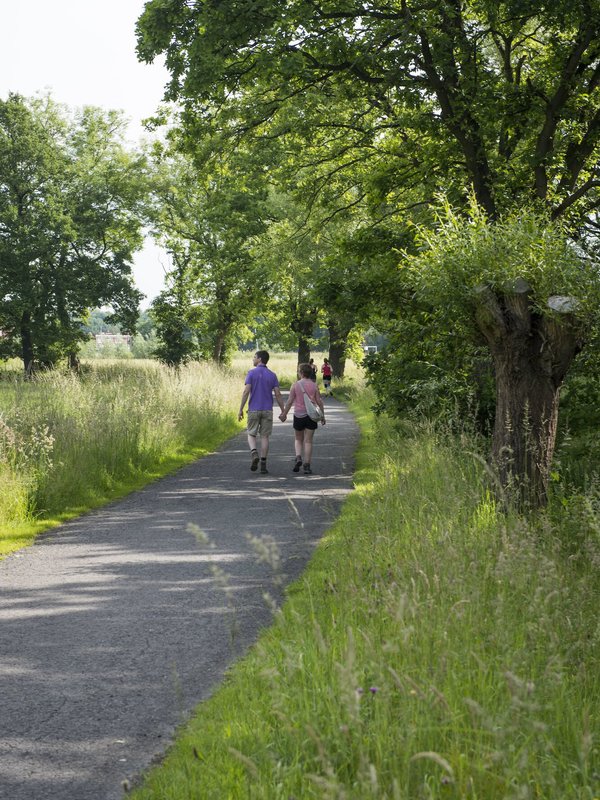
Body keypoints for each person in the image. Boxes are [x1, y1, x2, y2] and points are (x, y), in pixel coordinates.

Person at [239, 350, 285, 474]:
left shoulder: (251, 373)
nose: (252, 359)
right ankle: (263, 464)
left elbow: (246, 391)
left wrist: (240, 409)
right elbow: (278, 394)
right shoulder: (272, 375)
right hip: (267, 410)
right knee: (265, 437)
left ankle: (254, 453)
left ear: (259, 359)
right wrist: (283, 411)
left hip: (254, 409)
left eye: (254, 357)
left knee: (251, 434)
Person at [279, 362, 325, 475]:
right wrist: (323, 415)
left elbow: (289, 402)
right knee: (308, 441)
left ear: (301, 373)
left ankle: (298, 457)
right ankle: (307, 465)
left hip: (298, 415)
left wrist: (284, 414)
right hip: (312, 416)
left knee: (298, 439)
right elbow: (319, 401)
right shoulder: (314, 385)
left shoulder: (295, 385)